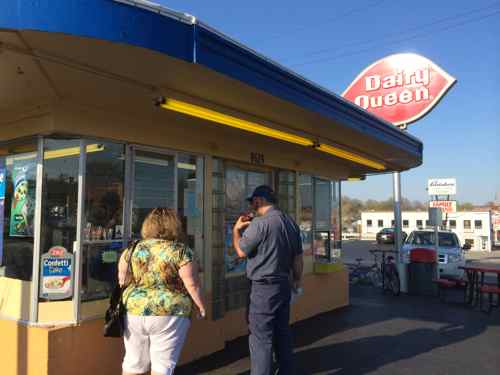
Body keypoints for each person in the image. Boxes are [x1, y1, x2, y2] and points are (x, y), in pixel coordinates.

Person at [118, 207, 206, 375]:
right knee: (162, 365)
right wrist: (201, 306)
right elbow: (191, 284)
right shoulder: (181, 251)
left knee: (133, 362)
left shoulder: (132, 249)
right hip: (170, 312)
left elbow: (123, 280)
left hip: (134, 311)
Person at [232, 185, 304, 375]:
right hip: (284, 285)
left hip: (263, 289)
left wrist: (236, 230)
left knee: (260, 339)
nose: (252, 205)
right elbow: (298, 258)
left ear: (259, 200)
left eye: (253, 201)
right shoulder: (290, 223)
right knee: (282, 333)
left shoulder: (260, 223)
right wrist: (297, 281)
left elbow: (240, 251)